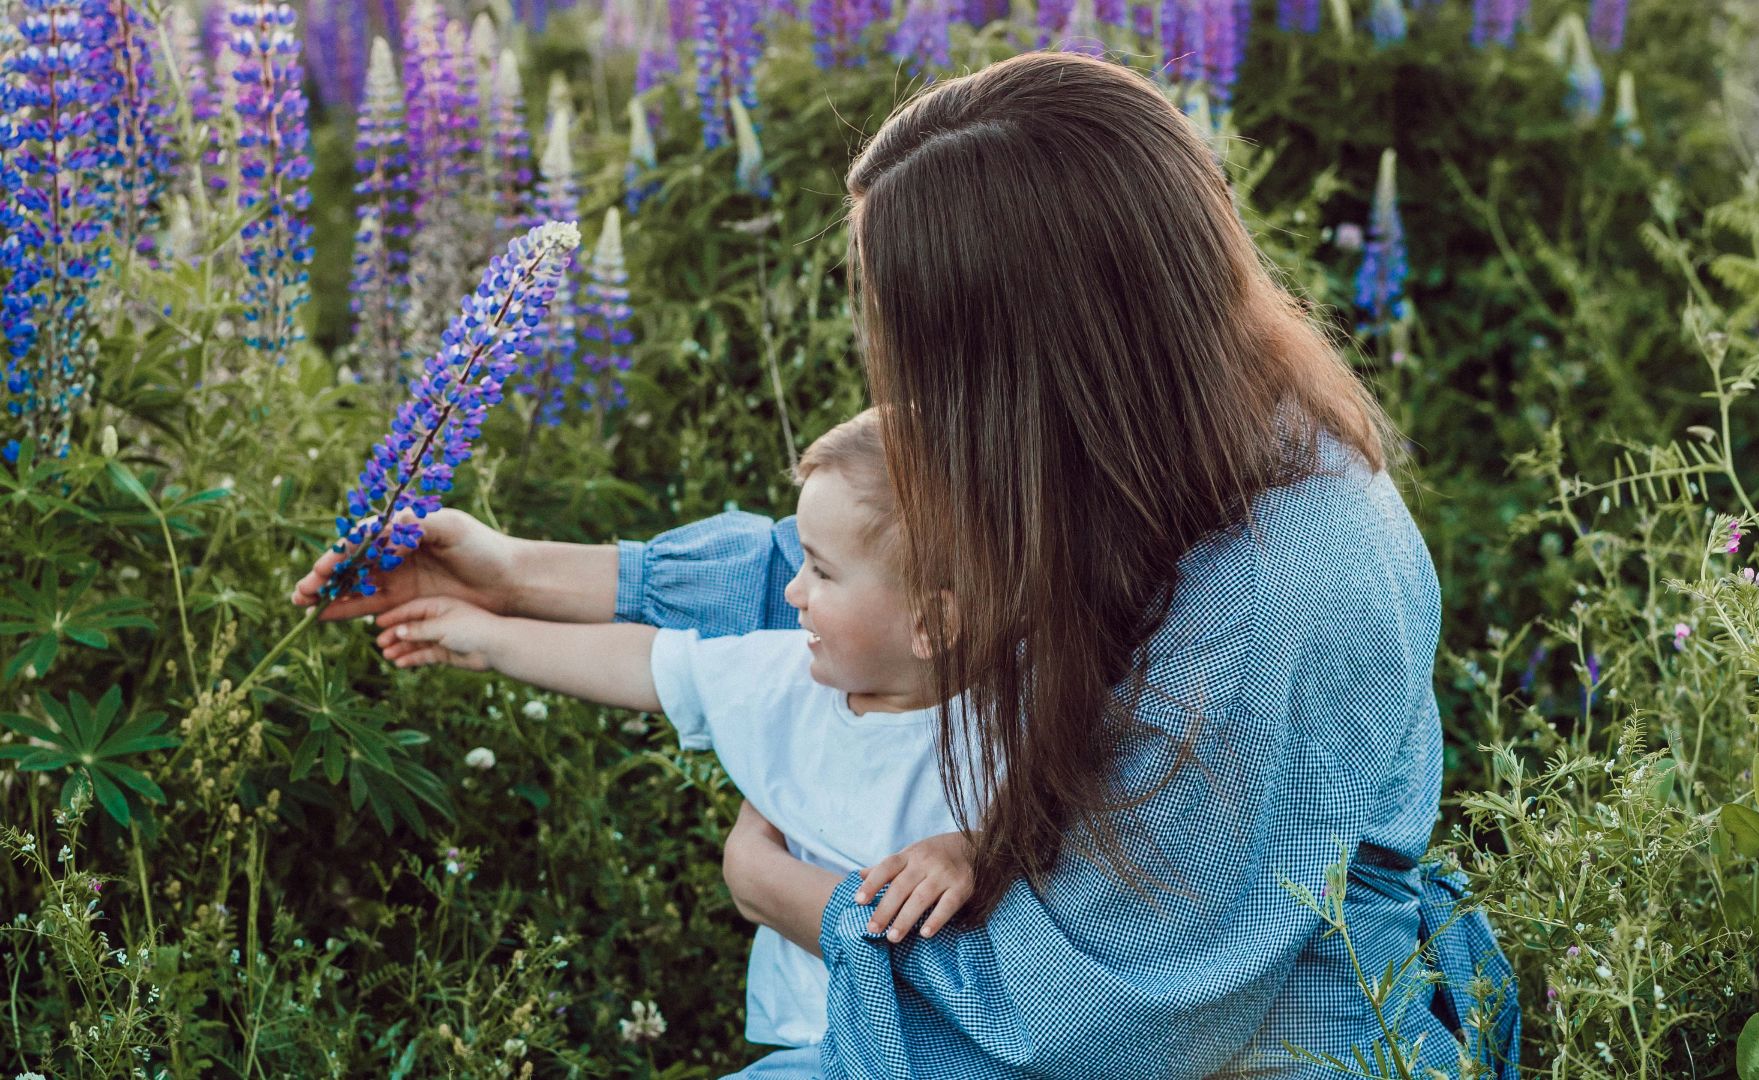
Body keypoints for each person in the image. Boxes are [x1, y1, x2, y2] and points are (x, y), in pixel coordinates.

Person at [295, 49, 1517, 1079]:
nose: (901, 379)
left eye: (916, 341)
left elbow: (1096, 1022)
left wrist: (795, 899)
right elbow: (861, 568)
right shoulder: (1160, 436)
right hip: (1066, 986)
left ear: (1038, 349)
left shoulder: (1284, 592)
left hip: (1245, 1043)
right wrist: (505, 574)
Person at [361, 411, 979, 1077]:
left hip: (957, 1054)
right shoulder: (785, 679)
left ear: (929, 622)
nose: (792, 590)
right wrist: (483, 636)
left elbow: (1063, 835)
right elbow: (648, 663)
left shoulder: (1011, 719)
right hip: (817, 1046)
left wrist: (970, 848)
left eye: (822, 573)